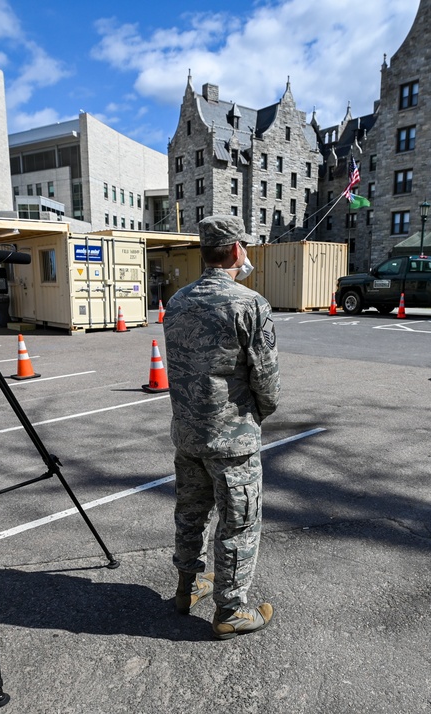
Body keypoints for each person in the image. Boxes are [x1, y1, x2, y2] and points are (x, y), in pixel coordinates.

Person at [162, 215, 280, 640]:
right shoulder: (248, 304)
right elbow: (265, 378)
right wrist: (259, 415)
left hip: (189, 435)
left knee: (190, 514)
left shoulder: (177, 302)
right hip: (232, 439)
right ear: (235, 250)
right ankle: (230, 609)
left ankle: (186, 588)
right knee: (239, 523)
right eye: (244, 247)